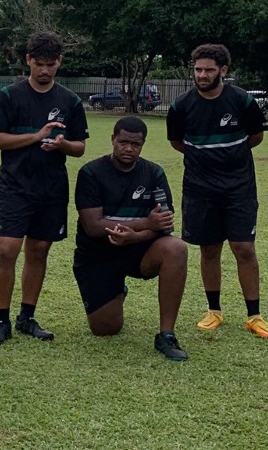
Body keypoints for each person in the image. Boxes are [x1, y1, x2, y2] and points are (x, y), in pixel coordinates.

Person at [0, 32, 88, 345]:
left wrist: (62, 144)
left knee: (39, 250)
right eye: (39, 63)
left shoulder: (70, 101)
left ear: (59, 62)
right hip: (15, 187)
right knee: (6, 250)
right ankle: (1, 320)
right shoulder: (9, 96)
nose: (45, 70)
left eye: (51, 64)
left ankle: (27, 317)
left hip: (51, 188)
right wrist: (35, 136)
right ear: (28, 60)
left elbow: (80, 147)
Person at [166, 43, 268, 338]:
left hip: (239, 186)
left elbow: (255, 137)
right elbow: (178, 142)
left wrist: (230, 158)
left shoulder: (242, 102)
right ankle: (214, 310)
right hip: (200, 187)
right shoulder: (180, 106)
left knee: (244, 248)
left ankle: (254, 315)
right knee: (209, 248)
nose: (202, 75)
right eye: (198, 69)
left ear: (223, 71)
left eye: (209, 70)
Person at [73, 117, 189, 361]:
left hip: (138, 250)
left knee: (176, 248)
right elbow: (93, 226)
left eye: (135, 144)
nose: (128, 148)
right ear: (112, 140)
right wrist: (144, 224)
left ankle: (166, 335)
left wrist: (135, 236)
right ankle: (117, 291)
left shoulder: (154, 172)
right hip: (98, 255)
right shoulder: (91, 173)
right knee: (105, 329)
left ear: (142, 144)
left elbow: (164, 224)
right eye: (123, 142)